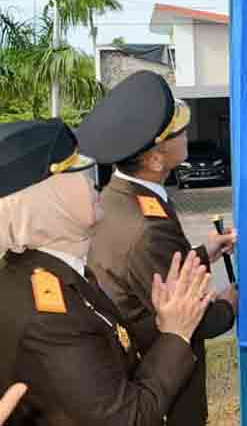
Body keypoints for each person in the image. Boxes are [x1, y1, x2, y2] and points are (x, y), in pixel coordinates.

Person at [0, 118, 212, 425]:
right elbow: (127, 418)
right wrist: (176, 332)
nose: (93, 182)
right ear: (41, 199)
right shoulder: (48, 317)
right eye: (75, 172)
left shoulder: (52, 272)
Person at [77, 71, 238, 426]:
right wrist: (231, 301)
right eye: (176, 132)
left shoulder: (120, 197)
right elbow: (196, 319)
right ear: (153, 159)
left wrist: (202, 253)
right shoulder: (146, 228)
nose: (185, 134)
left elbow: (149, 271)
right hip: (164, 388)